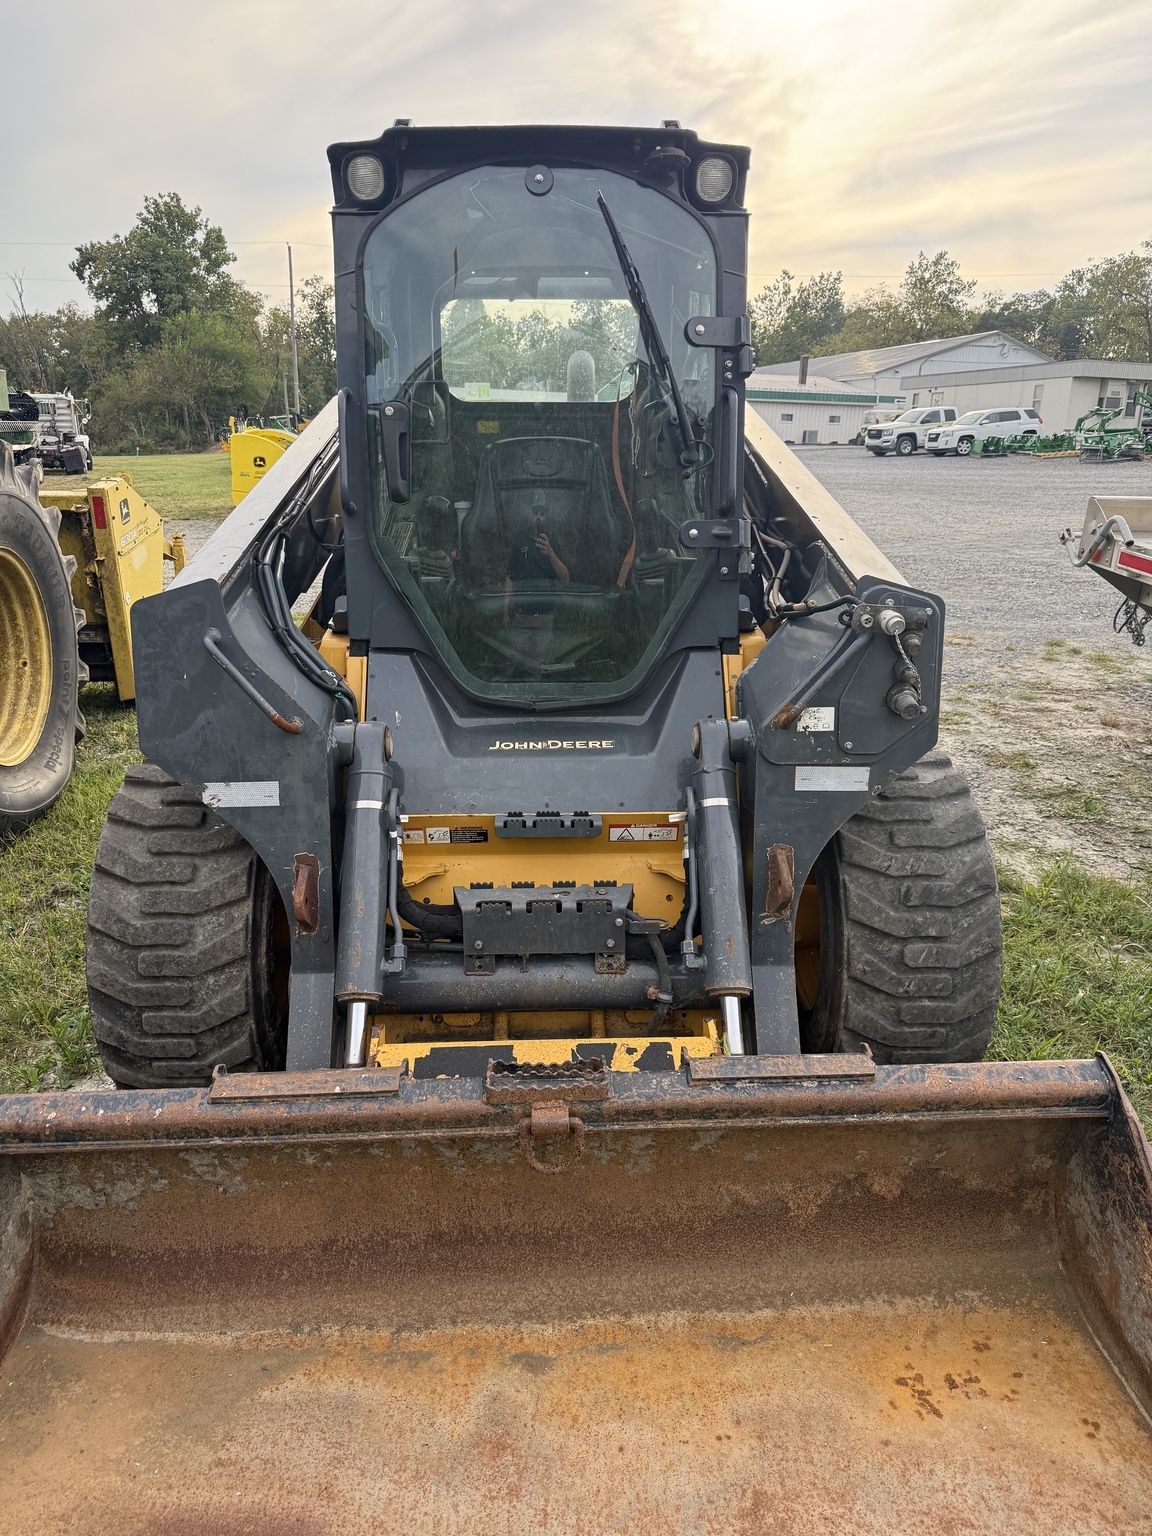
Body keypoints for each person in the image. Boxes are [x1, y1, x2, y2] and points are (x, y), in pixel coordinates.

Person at [503, 491, 569, 662]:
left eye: (542, 513)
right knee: (515, 662)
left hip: (545, 617)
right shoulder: (519, 540)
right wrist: (505, 612)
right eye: (535, 512)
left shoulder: (552, 541)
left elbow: (565, 578)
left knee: (538, 665)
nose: (538, 517)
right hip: (520, 615)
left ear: (546, 516)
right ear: (529, 512)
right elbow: (510, 578)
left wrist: (551, 554)